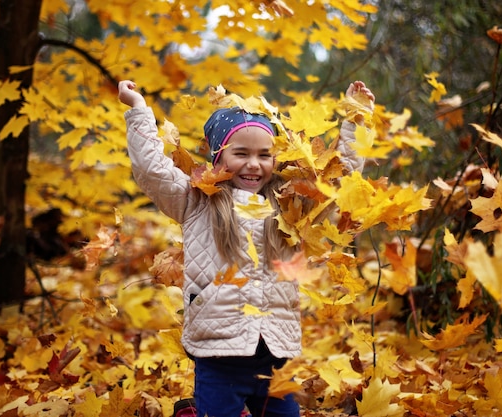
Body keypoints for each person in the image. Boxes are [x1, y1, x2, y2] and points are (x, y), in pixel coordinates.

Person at [118, 80, 375, 417]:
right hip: (218, 354)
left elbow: (338, 178)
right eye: (241, 154)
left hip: (275, 354)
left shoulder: (289, 204)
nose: (254, 164)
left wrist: (356, 118)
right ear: (218, 156)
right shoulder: (198, 200)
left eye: (264, 155)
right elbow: (152, 170)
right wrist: (137, 108)